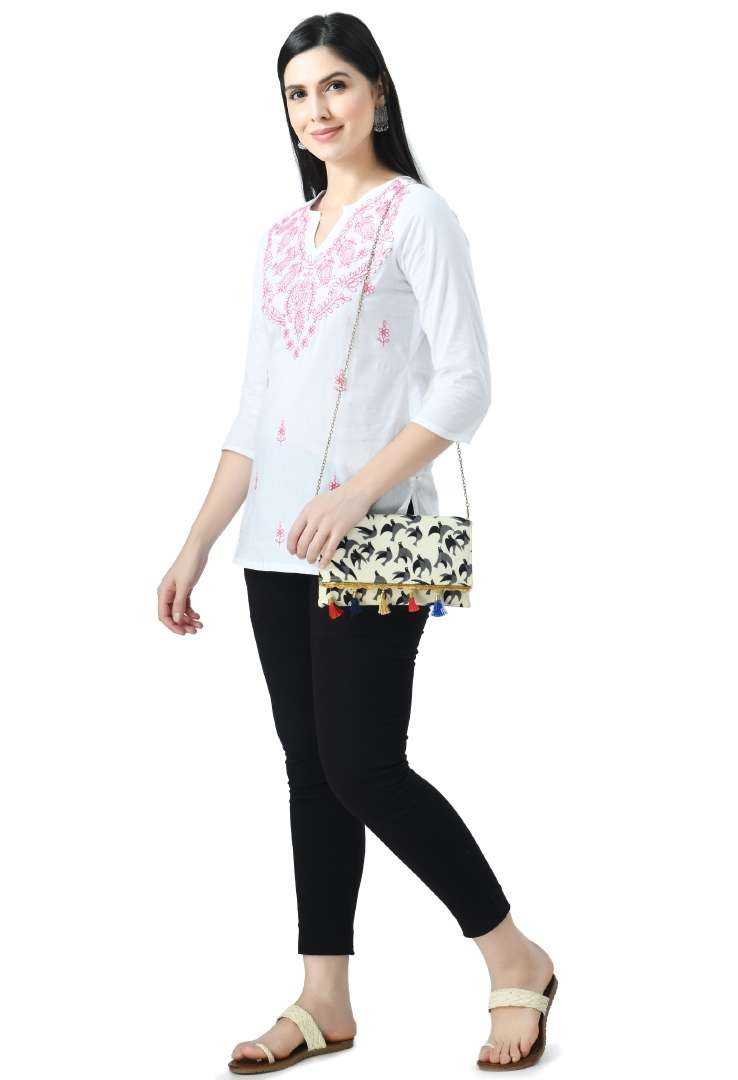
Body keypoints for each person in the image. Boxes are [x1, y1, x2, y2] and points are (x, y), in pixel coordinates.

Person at [157, 12, 556, 1073]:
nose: (316, 109)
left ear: (377, 92)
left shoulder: (418, 217)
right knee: (311, 772)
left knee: (365, 767)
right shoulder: (279, 238)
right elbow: (255, 411)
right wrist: (196, 544)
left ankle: (513, 953)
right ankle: (323, 997)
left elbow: (465, 384)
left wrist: (358, 492)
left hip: (378, 541)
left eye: (335, 85)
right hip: (272, 548)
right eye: (297, 94)